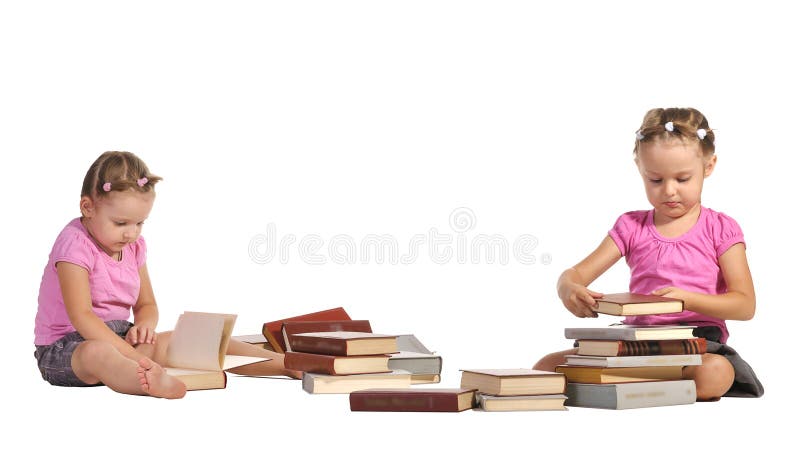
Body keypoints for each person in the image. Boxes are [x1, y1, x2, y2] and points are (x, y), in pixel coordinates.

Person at [533, 108, 763, 400]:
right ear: (639, 168)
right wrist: (567, 287)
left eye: (682, 179)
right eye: (655, 180)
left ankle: (626, 382)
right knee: (543, 367)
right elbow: (576, 274)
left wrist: (687, 301)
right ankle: (649, 380)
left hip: (695, 344)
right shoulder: (631, 226)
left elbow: (745, 305)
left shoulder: (720, 228)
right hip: (634, 342)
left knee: (715, 373)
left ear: (709, 166)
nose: (669, 191)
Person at [34, 151, 299, 399]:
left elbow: (146, 305)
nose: (131, 233)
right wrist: (134, 357)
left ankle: (286, 365)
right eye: (120, 223)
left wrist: (144, 327)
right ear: (87, 207)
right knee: (99, 353)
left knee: (198, 339)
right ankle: (149, 381)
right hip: (68, 348)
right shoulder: (74, 244)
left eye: (139, 223)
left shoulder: (133, 246)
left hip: (122, 339)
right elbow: (82, 317)